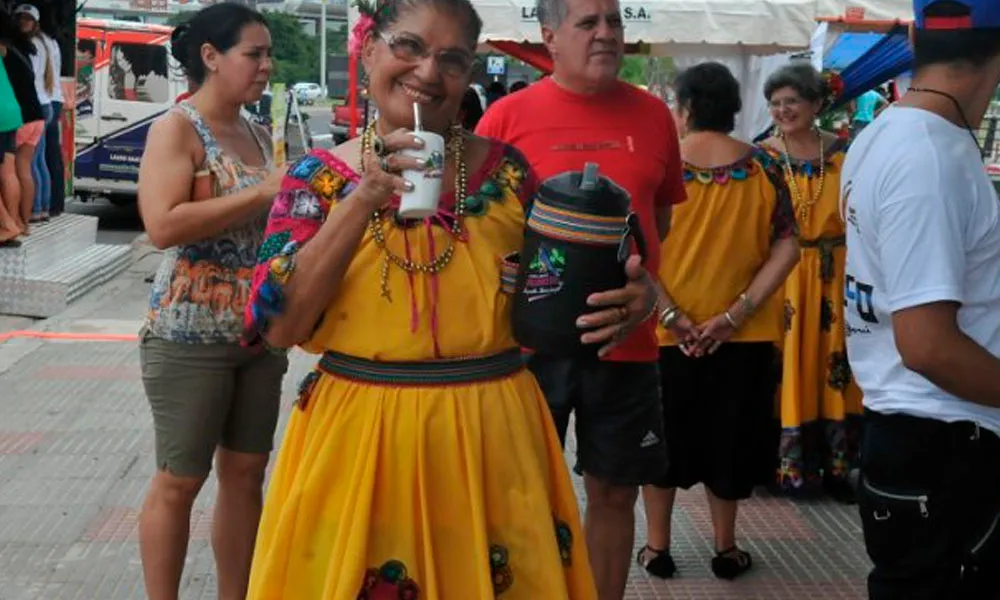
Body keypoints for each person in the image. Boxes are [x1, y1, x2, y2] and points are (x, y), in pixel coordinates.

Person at [241, 0, 655, 595]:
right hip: (359, 439)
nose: (428, 73)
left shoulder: (510, 176)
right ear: (370, 51)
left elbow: (573, 290)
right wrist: (362, 199)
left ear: (466, 76)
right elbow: (280, 329)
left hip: (494, 433)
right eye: (409, 47)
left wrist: (633, 297)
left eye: (452, 60)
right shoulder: (317, 179)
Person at [474, 0, 686, 595]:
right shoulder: (507, 118)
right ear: (549, 37)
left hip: (629, 344)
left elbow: (656, 222)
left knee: (616, 493)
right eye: (588, 23)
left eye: (614, 22)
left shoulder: (653, 116)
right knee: (521, 492)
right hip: (530, 348)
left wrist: (642, 291)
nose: (605, 33)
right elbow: (485, 232)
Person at [842, 0, 1000, 597]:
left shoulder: (879, 136)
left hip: (912, 439)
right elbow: (928, 345)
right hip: (945, 443)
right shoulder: (932, 157)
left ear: (914, 35)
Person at [134, 5, 288, 600]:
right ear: (211, 57)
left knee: (246, 474)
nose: (266, 66)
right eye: (255, 54)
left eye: (268, 55)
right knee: (181, 479)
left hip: (255, 333)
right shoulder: (176, 128)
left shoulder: (256, 130)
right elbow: (163, 225)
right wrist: (265, 192)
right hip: (187, 336)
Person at [637, 61, 800, 582]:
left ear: (683, 110)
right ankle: (726, 550)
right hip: (744, 338)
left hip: (664, 338)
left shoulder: (657, 168)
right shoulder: (766, 169)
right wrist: (735, 314)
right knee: (731, 441)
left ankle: (657, 549)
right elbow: (788, 247)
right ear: (734, 110)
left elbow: (634, 252)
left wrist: (672, 315)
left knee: (661, 443)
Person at [759, 63, 863, 501]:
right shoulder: (762, 155)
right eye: (776, 103)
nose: (783, 110)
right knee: (787, 364)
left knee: (835, 365)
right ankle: (783, 468)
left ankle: (837, 468)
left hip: (835, 272)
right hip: (782, 274)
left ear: (817, 105)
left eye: (792, 102)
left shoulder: (845, 152)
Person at [0, 5, 41, 236]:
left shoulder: (7, 51)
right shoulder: (27, 49)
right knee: (18, 170)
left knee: (12, 171)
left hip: (14, 117)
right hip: (23, 114)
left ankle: (10, 223)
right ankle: (20, 223)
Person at [14, 4, 52, 223]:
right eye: (21, 18)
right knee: (37, 163)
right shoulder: (45, 44)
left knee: (25, 165)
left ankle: (32, 209)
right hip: (42, 106)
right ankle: (40, 207)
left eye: (27, 19)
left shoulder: (28, 46)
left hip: (29, 107)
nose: (23, 22)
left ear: (35, 22)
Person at [39, 10, 64, 217]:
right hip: (55, 99)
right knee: (51, 154)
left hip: (45, 98)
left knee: (40, 157)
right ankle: (56, 203)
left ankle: (44, 205)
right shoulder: (53, 43)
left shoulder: (40, 44)